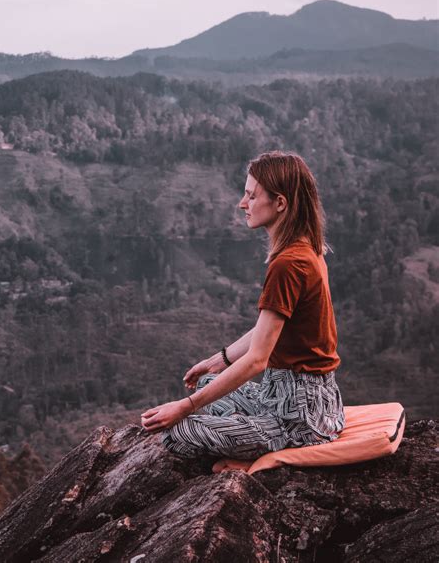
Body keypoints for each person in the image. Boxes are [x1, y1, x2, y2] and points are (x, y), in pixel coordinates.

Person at [141, 150, 345, 461]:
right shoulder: (306, 250)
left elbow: (256, 361)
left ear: (280, 203)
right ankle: (244, 433)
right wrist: (219, 359)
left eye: (251, 195)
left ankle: (257, 449)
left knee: (177, 433)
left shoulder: (288, 264)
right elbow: (269, 329)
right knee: (209, 382)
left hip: (297, 420)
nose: (242, 203)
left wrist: (185, 407)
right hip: (309, 402)